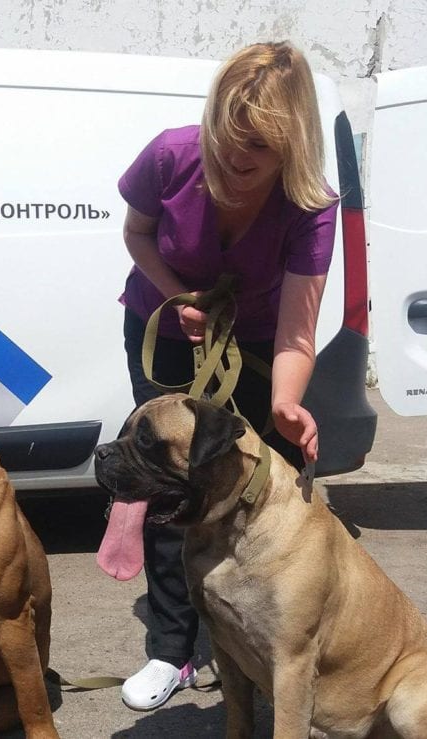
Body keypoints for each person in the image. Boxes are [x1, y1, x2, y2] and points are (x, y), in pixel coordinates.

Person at [114, 41, 338, 711]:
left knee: (260, 489)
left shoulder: (312, 206)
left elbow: (300, 326)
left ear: (290, 148)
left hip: (262, 343)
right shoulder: (169, 156)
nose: (235, 164)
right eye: (226, 142)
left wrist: (288, 405)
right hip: (166, 325)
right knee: (165, 478)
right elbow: (137, 236)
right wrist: (176, 294)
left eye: (257, 154)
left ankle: (266, 633)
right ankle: (171, 647)